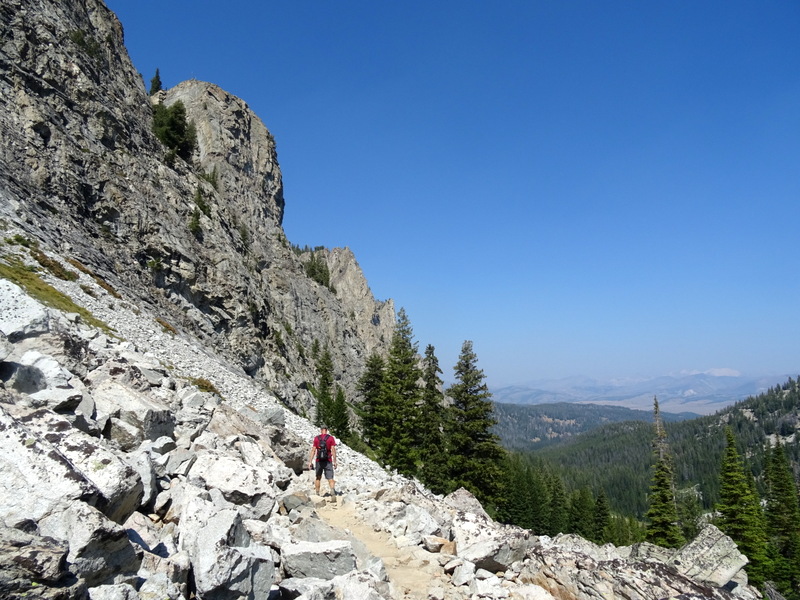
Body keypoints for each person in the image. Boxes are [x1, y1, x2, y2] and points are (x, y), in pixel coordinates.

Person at [308, 425, 337, 502]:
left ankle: (317, 494)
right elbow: (333, 450)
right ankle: (332, 492)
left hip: (319, 461)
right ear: (326, 430)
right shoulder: (331, 438)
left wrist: (310, 462)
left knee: (318, 478)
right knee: (330, 478)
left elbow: (313, 450)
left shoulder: (316, 438)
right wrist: (335, 461)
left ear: (321, 430)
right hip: (328, 460)